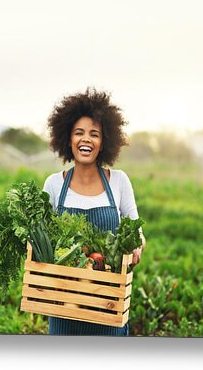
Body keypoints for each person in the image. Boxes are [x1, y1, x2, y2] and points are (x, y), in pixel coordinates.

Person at [43, 87, 145, 336]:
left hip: (108, 305)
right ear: (68, 139)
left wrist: (137, 247)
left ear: (104, 142)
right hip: (65, 306)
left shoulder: (119, 181)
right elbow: (43, 241)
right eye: (79, 133)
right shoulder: (54, 184)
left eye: (94, 134)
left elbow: (137, 231)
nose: (86, 139)